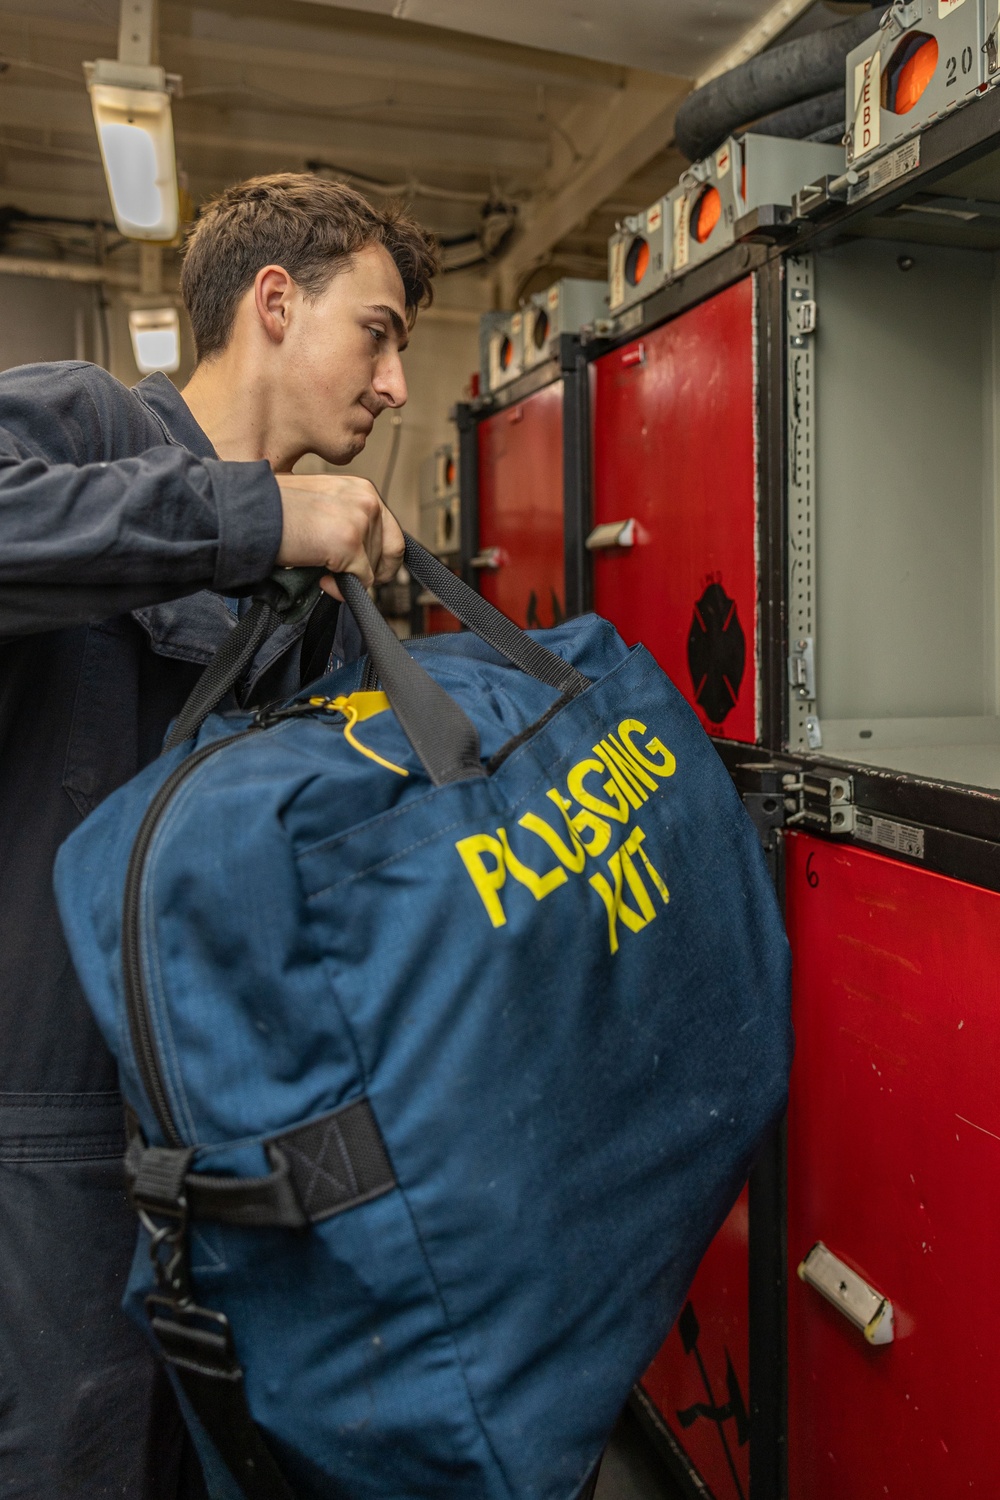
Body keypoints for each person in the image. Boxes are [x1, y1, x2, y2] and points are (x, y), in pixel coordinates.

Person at [0, 172, 437, 1497]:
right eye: (378, 333)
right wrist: (256, 517)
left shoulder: (308, 589)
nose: (397, 386)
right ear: (275, 302)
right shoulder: (86, 424)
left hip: (226, 1146)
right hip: (50, 1138)